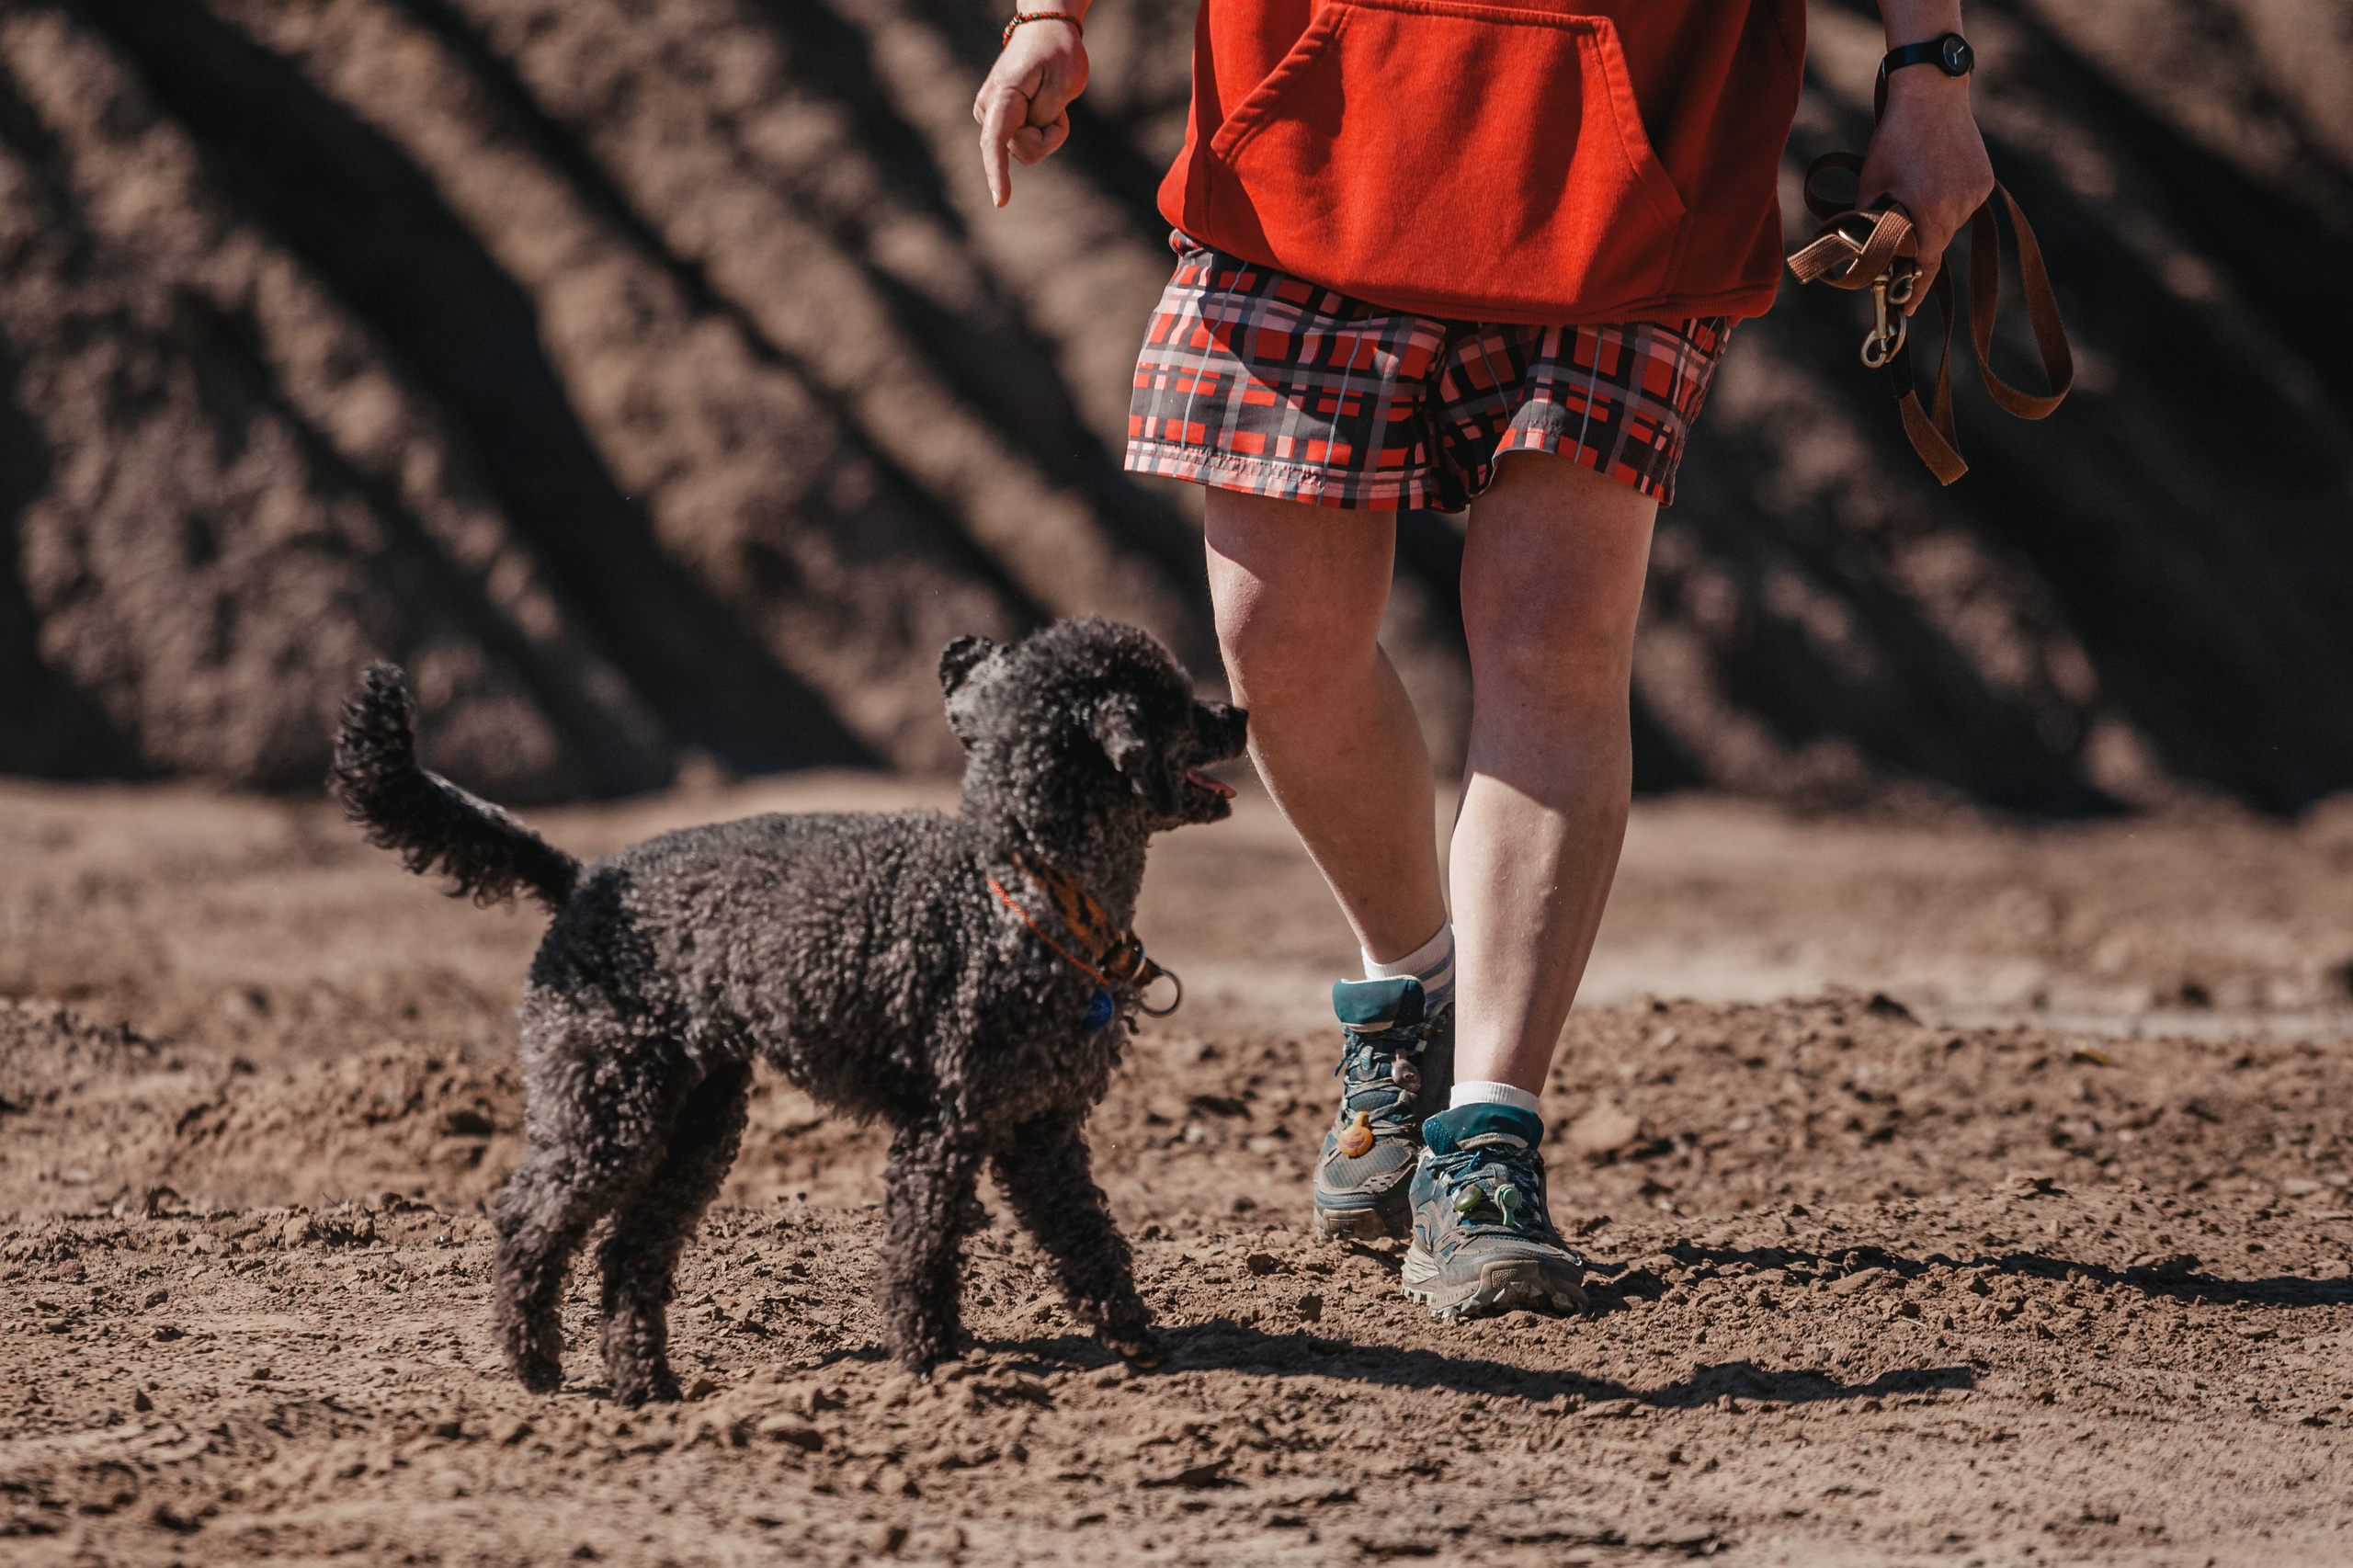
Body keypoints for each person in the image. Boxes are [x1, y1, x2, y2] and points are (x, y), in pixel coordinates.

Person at [977, 0, 1994, 1318]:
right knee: (1275, 637)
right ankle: (1411, 983)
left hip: (1636, 159)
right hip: (1311, 141)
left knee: (1553, 636)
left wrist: (1929, 67)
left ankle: (1489, 1138)